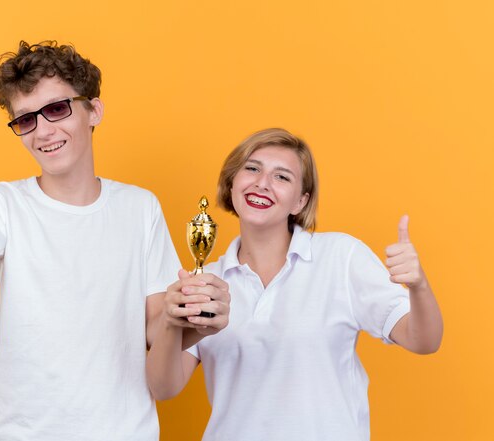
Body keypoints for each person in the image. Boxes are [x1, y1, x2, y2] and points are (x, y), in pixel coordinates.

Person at [0, 40, 191, 440]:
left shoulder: (141, 208)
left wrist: (181, 316)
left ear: (94, 111)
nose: (43, 131)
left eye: (56, 109)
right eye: (25, 119)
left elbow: (155, 325)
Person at [146, 128, 443, 441]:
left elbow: (423, 340)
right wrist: (169, 319)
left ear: (300, 201)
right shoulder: (208, 283)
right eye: (252, 168)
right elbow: (164, 388)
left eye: (282, 177)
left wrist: (419, 286)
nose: (262, 183)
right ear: (232, 183)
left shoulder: (340, 257)